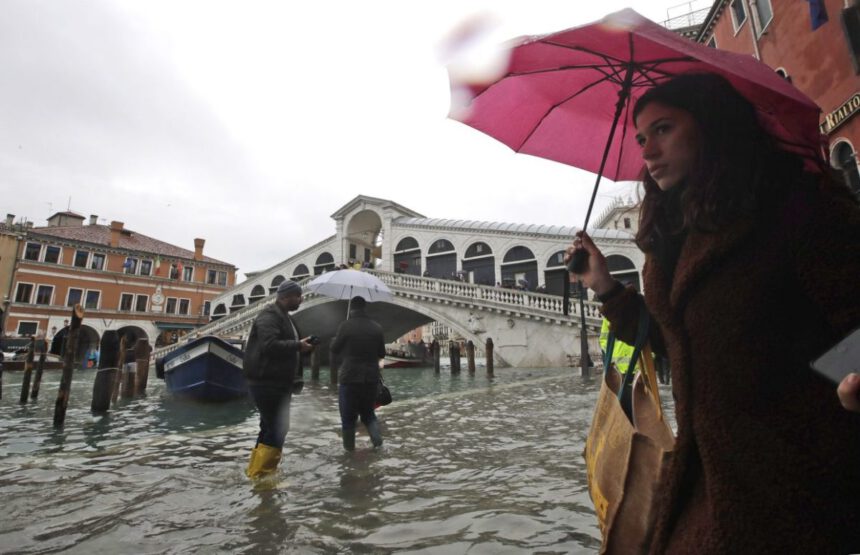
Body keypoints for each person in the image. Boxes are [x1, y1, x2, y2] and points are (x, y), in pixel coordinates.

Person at [567, 73, 860, 554]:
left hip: (799, 479)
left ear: (711, 126)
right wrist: (604, 286)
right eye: (642, 138)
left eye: (663, 130)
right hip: (709, 477)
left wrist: (850, 383)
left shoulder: (796, 207)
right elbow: (679, 345)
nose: (648, 151)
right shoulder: (670, 241)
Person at [242, 280, 315, 479]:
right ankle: (264, 476)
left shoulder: (283, 317)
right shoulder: (269, 315)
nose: (301, 299)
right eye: (298, 296)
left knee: (269, 427)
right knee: (277, 428)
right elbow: (269, 345)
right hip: (267, 382)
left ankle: (256, 473)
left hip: (278, 383)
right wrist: (297, 346)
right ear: (287, 297)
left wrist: (302, 346)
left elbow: (283, 345)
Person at [330, 295, 386, 451]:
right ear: (364, 308)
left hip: (350, 377)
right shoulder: (376, 327)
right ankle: (379, 446)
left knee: (348, 418)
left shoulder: (345, 326)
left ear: (352, 308)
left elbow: (334, 349)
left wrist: (336, 339)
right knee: (368, 415)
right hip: (370, 378)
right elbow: (381, 352)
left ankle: (349, 453)